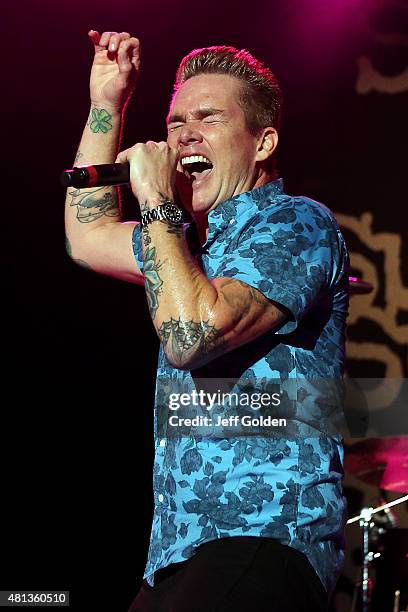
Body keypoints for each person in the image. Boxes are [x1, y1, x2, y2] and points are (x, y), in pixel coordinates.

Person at [65, 30, 349, 612]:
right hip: (176, 552)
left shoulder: (297, 223)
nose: (185, 133)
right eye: (175, 122)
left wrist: (157, 205)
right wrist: (106, 105)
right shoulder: (185, 249)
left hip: (266, 541)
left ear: (262, 142)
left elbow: (192, 337)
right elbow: (87, 236)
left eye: (209, 118)